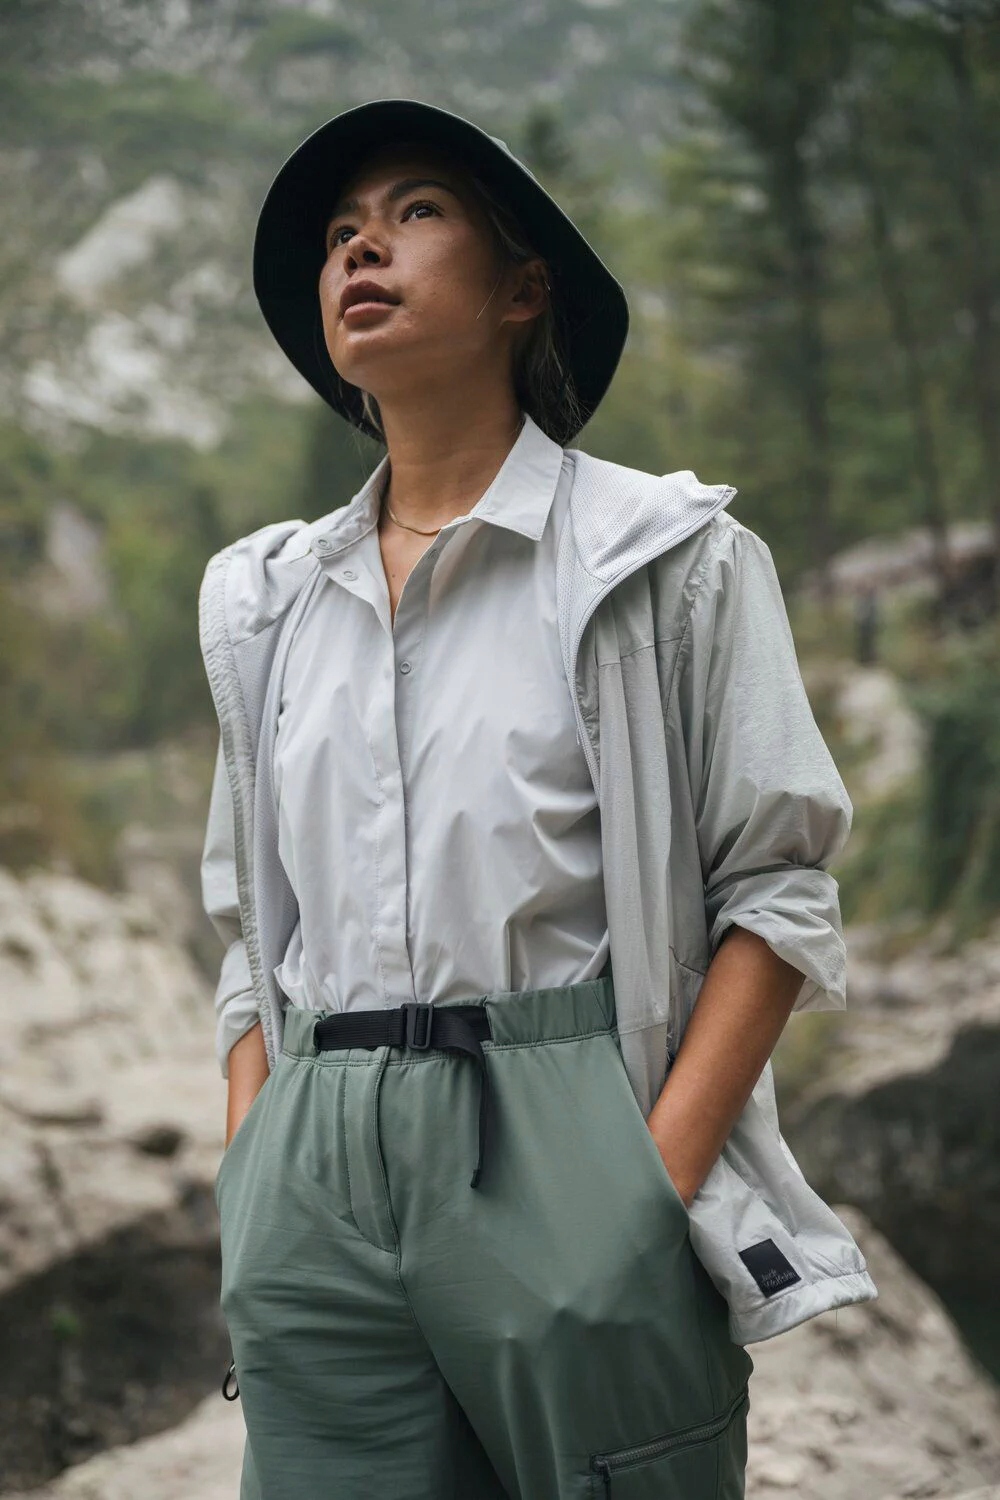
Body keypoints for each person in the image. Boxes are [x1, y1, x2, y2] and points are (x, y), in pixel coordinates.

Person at [199, 98, 877, 1500]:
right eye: (339, 233)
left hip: (565, 1125)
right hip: (313, 1163)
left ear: (523, 291)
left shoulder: (668, 559)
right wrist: (256, 1170)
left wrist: (641, 1192)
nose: (360, 248)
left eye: (416, 212)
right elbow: (250, 928)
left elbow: (778, 886)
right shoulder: (270, 606)